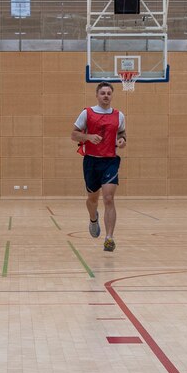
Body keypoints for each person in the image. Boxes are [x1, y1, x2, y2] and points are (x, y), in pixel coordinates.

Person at [71, 81, 127, 252]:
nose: (106, 96)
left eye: (109, 93)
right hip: (91, 161)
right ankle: (93, 218)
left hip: (110, 161)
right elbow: (74, 134)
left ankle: (109, 238)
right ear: (97, 95)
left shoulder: (119, 115)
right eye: (102, 93)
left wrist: (122, 140)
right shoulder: (86, 113)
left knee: (108, 198)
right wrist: (88, 137)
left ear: (112, 95)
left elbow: (122, 133)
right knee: (92, 200)